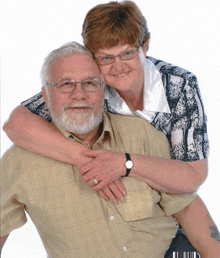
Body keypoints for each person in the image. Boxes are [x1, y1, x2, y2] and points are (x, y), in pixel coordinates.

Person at [2, 0, 209, 254]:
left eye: (128, 53)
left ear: (145, 45)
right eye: (106, 58)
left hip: (165, 213)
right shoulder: (85, 87)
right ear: (93, 57)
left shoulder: (178, 86)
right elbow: (16, 123)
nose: (118, 66)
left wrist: (124, 163)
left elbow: (193, 176)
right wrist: (86, 160)